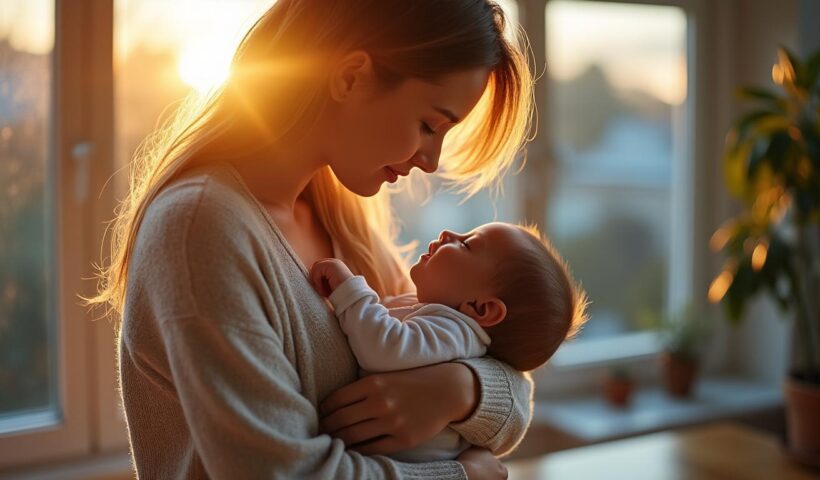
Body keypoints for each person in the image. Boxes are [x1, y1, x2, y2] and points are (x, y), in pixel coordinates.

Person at [86, 0, 536, 478]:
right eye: (429, 125)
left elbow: (513, 391)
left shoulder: (343, 217)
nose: (431, 160)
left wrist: (462, 390)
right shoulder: (201, 228)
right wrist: (465, 476)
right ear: (350, 78)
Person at [310, 222, 589, 463]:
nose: (447, 234)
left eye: (467, 244)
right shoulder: (436, 315)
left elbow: (382, 347)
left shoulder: (454, 330)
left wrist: (349, 290)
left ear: (481, 309)